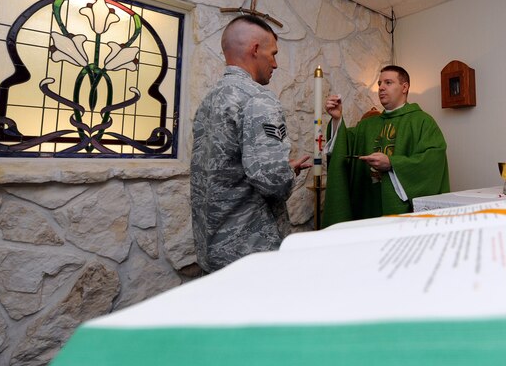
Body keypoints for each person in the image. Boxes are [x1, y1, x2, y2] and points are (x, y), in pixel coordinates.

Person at [190, 15, 310, 273]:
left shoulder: (209, 101)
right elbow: (272, 180)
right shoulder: (258, 99)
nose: (275, 64)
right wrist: (288, 171)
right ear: (255, 50)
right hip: (250, 249)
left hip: (211, 245)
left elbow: (225, 166)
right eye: (273, 53)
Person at [321, 65, 449, 227]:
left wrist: (392, 164)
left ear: (404, 87)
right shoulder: (367, 125)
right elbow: (344, 147)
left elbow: (433, 161)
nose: (381, 87)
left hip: (401, 212)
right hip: (368, 208)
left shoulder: (422, 122)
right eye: (380, 83)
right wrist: (337, 120)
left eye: (388, 82)